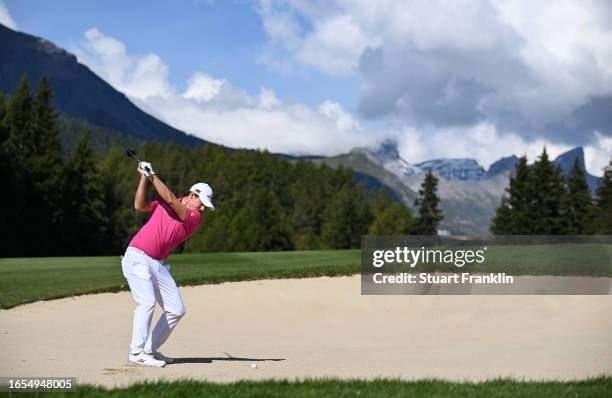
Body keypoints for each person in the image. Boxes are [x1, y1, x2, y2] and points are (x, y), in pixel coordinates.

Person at [121, 161, 214, 367]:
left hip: (158, 264)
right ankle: (136, 353)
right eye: (202, 203)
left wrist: (152, 174)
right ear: (192, 195)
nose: (203, 209)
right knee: (146, 302)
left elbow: (171, 200)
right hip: (137, 257)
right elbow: (139, 205)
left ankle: (149, 350)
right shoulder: (166, 203)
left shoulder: (193, 217)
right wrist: (144, 178)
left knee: (176, 309)